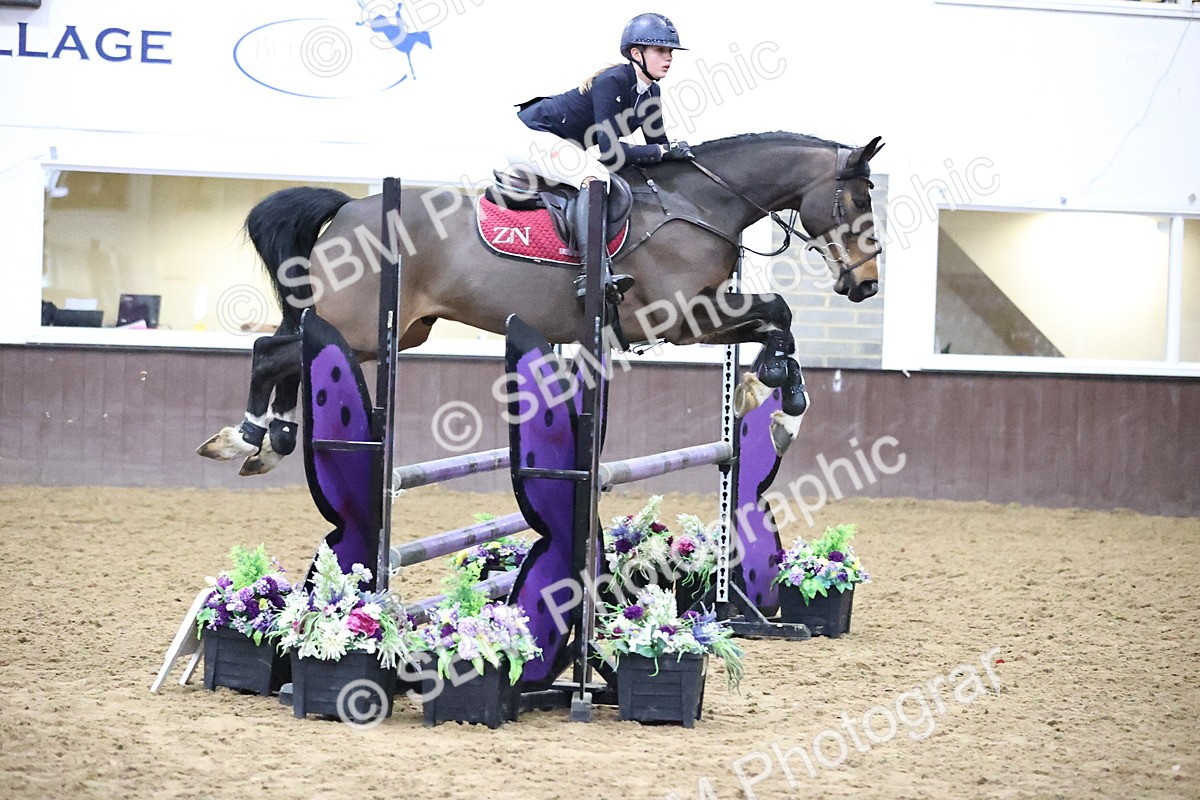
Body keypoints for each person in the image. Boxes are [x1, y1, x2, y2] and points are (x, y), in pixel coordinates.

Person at [504, 12, 695, 301]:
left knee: (603, 173)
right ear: (636, 53)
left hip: (558, 145)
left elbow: (659, 147)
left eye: (670, 52)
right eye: (660, 50)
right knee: (595, 178)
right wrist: (660, 152)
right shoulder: (613, 81)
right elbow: (610, 152)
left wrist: (682, 157)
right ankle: (590, 274)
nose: (669, 58)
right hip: (532, 138)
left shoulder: (651, 92)